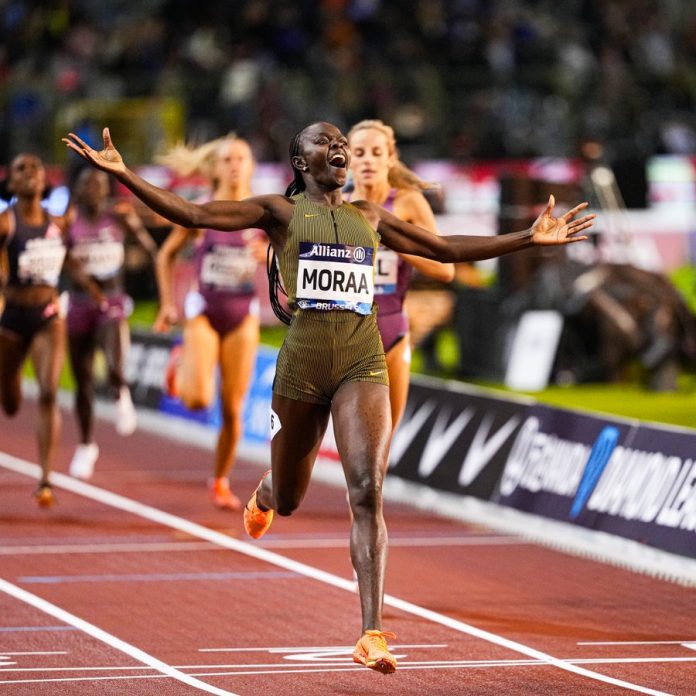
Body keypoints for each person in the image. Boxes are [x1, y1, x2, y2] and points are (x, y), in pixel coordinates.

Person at [63, 123, 594, 674]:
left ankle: (371, 632)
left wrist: (528, 239)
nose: (338, 146)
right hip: (302, 365)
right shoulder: (281, 213)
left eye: (341, 139)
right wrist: (125, 175)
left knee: (367, 490)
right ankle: (268, 491)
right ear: (300, 161)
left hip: (362, 362)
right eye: (324, 141)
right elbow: (193, 215)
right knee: (291, 496)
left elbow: (444, 248)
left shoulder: (372, 217)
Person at [153, 136, 265, 510]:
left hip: (242, 315)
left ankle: (220, 480)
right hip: (203, 310)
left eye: (242, 158)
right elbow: (165, 255)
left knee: (232, 408)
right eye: (227, 159)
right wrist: (168, 304)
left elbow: (292, 254)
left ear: (251, 165)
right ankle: (181, 363)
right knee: (198, 398)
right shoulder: (202, 210)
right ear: (215, 168)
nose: (235, 164)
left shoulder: (265, 213)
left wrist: (271, 253)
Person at [347, 119, 454, 432]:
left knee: (385, 434)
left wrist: (396, 244)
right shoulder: (337, 206)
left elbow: (445, 269)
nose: (368, 160)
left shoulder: (408, 202)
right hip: (347, 329)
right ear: (349, 159)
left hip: (393, 325)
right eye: (360, 152)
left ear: (390, 158)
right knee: (356, 431)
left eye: (376, 152)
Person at [0, 154, 94, 506]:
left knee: (49, 392)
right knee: (9, 403)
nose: (28, 174)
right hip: (11, 320)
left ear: (43, 182)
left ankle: (45, 480)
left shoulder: (59, 223)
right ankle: (8, 388)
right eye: (20, 169)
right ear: (10, 184)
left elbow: (70, 252)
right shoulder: (6, 224)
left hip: (47, 315)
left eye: (35, 168)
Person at [65, 167, 157, 480]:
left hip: (112, 301)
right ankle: (87, 444)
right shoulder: (69, 224)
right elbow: (62, 262)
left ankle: (120, 388)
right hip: (79, 304)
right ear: (77, 191)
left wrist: (135, 248)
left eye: (101, 184)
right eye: (87, 184)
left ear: (108, 191)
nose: (94, 189)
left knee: (114, 359)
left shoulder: (117, 218)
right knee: (84, 381)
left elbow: (150, 250)